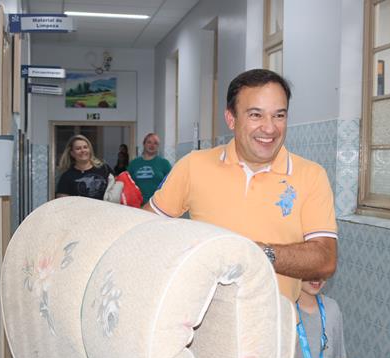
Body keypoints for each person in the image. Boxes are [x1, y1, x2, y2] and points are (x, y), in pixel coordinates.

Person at [145, 68, 338, 302]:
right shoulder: (193, 165)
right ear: (231, 119)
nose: (269, 128)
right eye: (256, 115)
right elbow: (146, 230)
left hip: (274, 321)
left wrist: (256, 253)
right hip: (200, 321)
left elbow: (325, 259)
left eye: (279, 115)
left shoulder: (311, 175)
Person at [56, 134, 114, 200]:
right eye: (78, 148)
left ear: (90, 150)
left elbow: (117, 188)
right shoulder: (67, 176)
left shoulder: (104, 168)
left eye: (85, 147)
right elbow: (62, 202)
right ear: (72, 153)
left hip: (104, 207)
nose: (83, 150)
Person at [127, 133, 172, 205]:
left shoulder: (164, 163)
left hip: (157, 205)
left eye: (155, 143)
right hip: (137, 205)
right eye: (149, 142)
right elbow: (127, 183)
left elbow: (172, 184)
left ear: (158, 146)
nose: (152, 145)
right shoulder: (134, 163)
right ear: (144, 144)